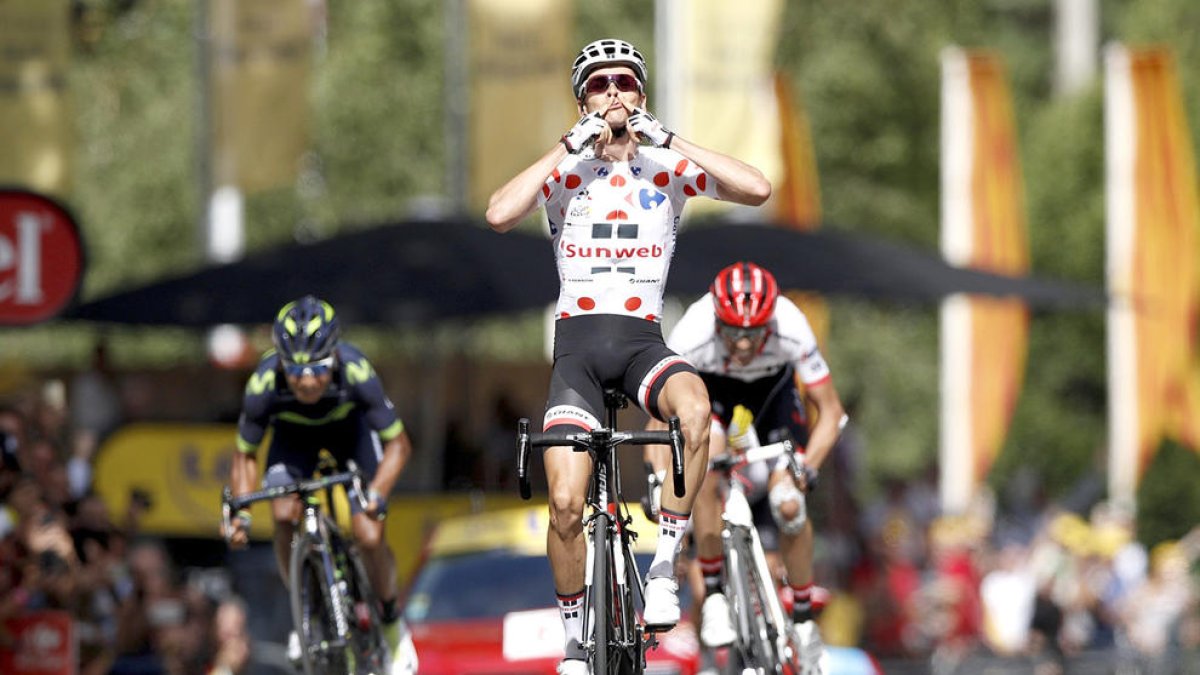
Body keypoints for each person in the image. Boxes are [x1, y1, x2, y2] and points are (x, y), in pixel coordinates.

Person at [485, 38, 772, 675]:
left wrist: (669, 138)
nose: (613, 91)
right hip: (577, 357)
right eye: (598, 83)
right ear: (581, 100)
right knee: (565, 504)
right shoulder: (564, 171)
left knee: (694, 409)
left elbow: (757, 188)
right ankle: (574, 643)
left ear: (642, 94)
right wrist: (567, 144)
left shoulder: (666, 167)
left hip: (643, 344)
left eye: (625, 81)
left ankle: (665, 566)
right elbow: (499, 213)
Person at [651, 261, 846, 669]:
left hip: (772, 398)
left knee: (789, 505)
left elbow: (830, 412)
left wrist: (808, 468)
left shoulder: (791, 324)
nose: (742, 345)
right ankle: (714, 593)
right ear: (716, 321)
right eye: (732, 333)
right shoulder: (692, 330)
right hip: (713, 395)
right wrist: (660, 476)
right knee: (703, 463)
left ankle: (803, 619)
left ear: (770, 323)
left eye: (754, 334)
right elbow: (658, 420)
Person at [224, 295, 416, 674]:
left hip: (350, 437)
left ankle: (392, 624)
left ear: (335, 356)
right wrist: (240, 514)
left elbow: (399, 445)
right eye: (294, 370)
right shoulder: (264, 383)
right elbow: (244, 454)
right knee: (283, 515)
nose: (307, 381)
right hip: (293, 443)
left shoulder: (356, 371)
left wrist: (377, 493)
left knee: (369, 535)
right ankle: (305, 612)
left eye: (317, 368)